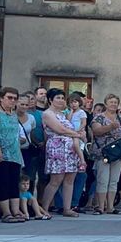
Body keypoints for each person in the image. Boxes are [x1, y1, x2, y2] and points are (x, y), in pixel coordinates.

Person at [39, 88, 86, 217]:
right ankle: (44, 208)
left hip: (70, 150)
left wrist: (77, 135)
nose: (61, 100)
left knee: (70, 179)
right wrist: (78, 135)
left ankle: (67, 208)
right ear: (50, 100)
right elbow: (60, 130)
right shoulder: (48, 114)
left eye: (62, 98)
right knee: (56, 180)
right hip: (57, 148)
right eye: (57, 98)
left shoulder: (63, 114)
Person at [0, 87, 27, 222]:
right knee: (2, 182)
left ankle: (16, 211)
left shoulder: (13, 113)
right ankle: (6, 213)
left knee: (13, 183)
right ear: (1, 98)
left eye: (15, 98)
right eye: (9, 97)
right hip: (0, 153)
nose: (12, 100)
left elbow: (15, 135)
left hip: (14, 154)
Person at [90, 94, 121, 215]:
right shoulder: (99, 118)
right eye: (111, 102)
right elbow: (96, 131)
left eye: (115, 102)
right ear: (106, 104)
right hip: (103, 153)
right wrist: (110, 126)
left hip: (118, 153)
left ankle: (111, 207)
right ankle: (100, 207)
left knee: (114, 180)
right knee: (103, 180)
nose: (113, 104)